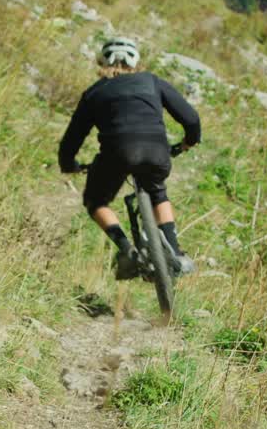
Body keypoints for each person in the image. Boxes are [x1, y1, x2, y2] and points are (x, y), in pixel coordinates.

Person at [58, 37, 201, 279]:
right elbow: (191, 119)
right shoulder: (152, 81)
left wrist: (69, 164)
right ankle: (175, 250)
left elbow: (73, 138)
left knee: (96, 202)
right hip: (157, 150)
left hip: (117, 153)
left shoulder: (94, 92)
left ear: (102, 62)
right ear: (136, 61)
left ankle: (128, 251)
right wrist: (188, 142)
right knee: (158, 192)